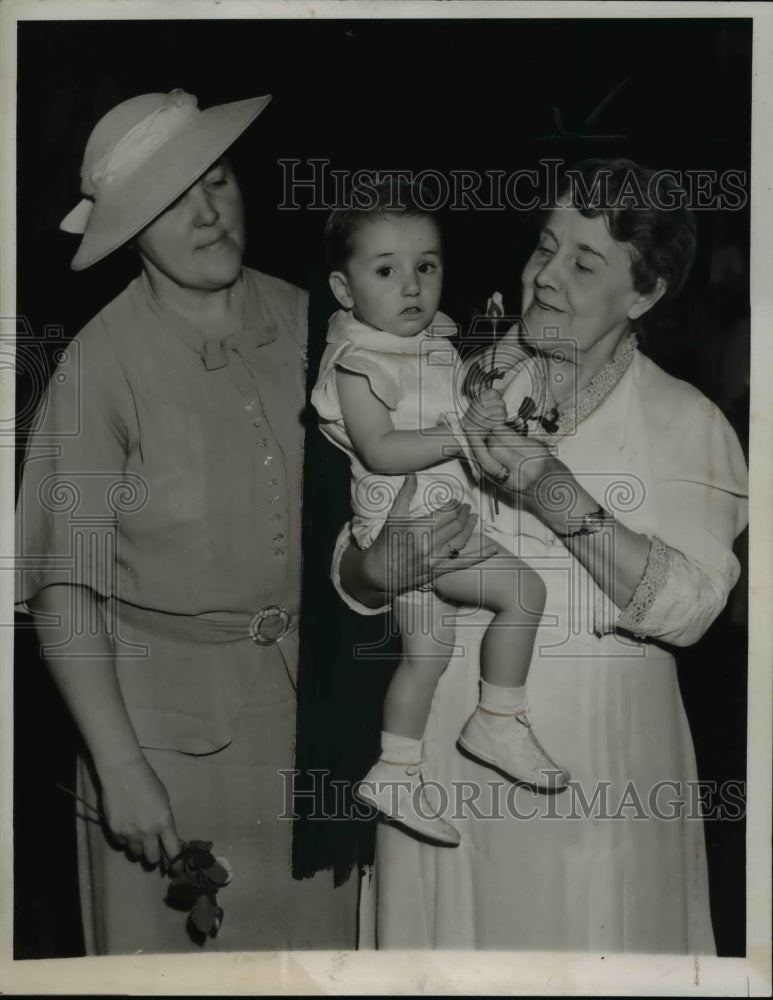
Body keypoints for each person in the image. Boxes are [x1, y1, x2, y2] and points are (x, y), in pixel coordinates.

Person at [334, 159, 748, 951]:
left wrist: (550, 487)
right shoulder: (463, 377)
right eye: (544, 248)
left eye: (584, 262)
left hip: (590, 768)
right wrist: (371, 570)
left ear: (645, 293)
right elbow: (364, 530)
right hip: (438, 757)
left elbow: (692, 610)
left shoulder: (681, 419)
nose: (545, 277)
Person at [15, 87, 365, 954]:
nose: (206, 214)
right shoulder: (100, 369)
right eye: (171, 202)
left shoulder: (315, 319)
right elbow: (64, 593)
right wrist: (121, 769)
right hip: (161, 747)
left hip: (314, 724)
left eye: (216, 180)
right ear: (131, 231)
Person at [310, 183, 569, 848]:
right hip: (411, 525)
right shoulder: (359, 362)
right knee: (523, 591)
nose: (412, 287)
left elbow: (462, 391)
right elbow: (380, 447)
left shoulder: (424, 339)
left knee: (427, 653)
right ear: (344, 290)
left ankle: (395, 767)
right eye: (386, 270)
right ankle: (496, 716)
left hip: (422, 520)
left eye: (426, 266)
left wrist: (500, 369)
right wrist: (460, 437)